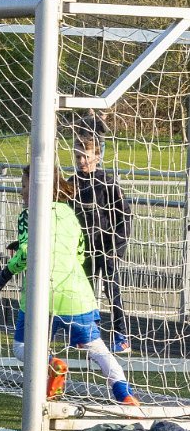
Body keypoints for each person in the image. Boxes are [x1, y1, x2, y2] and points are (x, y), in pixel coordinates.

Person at [0, 165, 138, 406]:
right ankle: (125, 394)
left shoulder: (28, 214)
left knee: (22, 347)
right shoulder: (70, 214)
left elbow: (27, 253)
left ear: (37, 188)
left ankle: (53, 365)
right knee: (98, 350)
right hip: (77, 294)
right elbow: (80, 253)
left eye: (24, 186)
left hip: (41, 296)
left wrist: (5, 274)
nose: (21, 192)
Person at [70, 134, 132, 352]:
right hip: (83, 250)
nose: (81, 161)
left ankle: (121, 336)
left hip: (107, 248)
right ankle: (88, 336)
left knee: (112, 290)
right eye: (78, 157)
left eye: (85, 156)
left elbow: (125, 216)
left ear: (97, 156)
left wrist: (118, 248)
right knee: (83, 293)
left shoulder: (108, 183)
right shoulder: (72, 183)